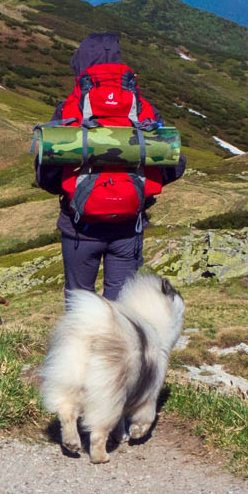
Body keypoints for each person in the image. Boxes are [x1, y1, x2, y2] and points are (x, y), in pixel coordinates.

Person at [35, 32, 183, 299]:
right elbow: (172, 163)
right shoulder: (143, 109)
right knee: (121, 302)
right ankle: (119, 343)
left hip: (79, 227)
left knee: (80, 300)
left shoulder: (69, 108)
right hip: (129, 226)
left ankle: (84, 342)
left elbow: (47, 174)